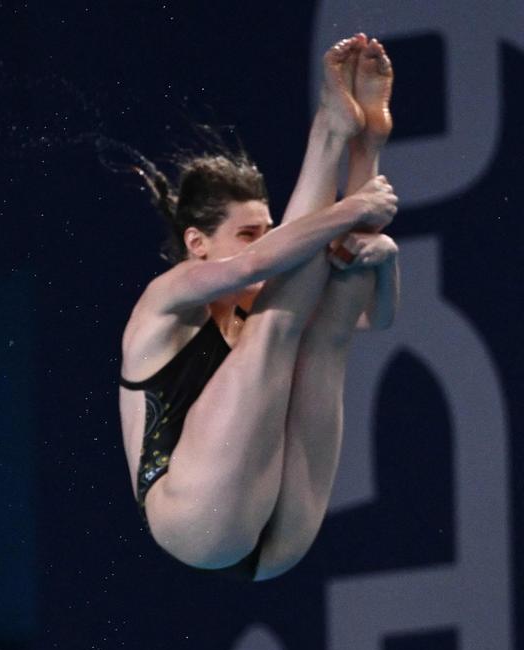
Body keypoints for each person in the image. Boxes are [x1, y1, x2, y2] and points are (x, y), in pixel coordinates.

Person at [118, 35, 400, 580]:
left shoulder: (262, 298)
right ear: (197, 242)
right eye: (249, 232)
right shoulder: (166, 298)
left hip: (275, 542)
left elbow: (373, 317)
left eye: (268, 230)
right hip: (193, 522)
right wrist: (355, 209)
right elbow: (250, 268)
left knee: (329, 329)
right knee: (277, 324)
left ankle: (364, 140)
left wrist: (380, 257)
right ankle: (328, 132)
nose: (267, 242)